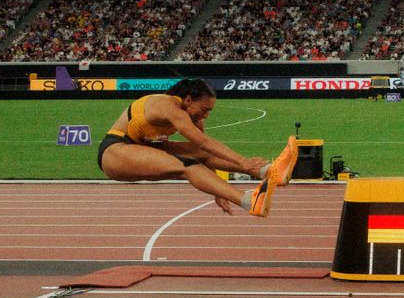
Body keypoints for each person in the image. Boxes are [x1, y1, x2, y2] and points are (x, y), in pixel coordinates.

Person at [97, 77, 296, 216]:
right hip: (115, 152)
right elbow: (203, 141)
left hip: (143, 150)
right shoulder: (166, 104)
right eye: (204, 109)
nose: (206, 115)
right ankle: (249, 201)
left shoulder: (193, 118)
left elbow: (205, 152)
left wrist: (217, 190)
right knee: (188, 165)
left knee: (198, 155)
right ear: (188, 100)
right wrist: (244, 162)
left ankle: (270, 172)